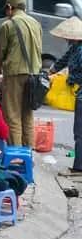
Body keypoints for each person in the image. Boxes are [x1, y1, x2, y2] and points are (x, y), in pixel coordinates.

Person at [0, 0, 43, 147]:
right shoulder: (36, 24)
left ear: (10, 8)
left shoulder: (7, 25)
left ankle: (16, 154)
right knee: (27, 115)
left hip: (14, 74)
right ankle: (28, 151)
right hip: (34, 75)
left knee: (12, 115)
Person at [49, 17, 82, 173]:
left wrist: (69, 79)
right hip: (79, 93)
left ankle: (79, 167)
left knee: (79, 132)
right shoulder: (75, 47)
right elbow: (63, 60)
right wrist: (51, 71)